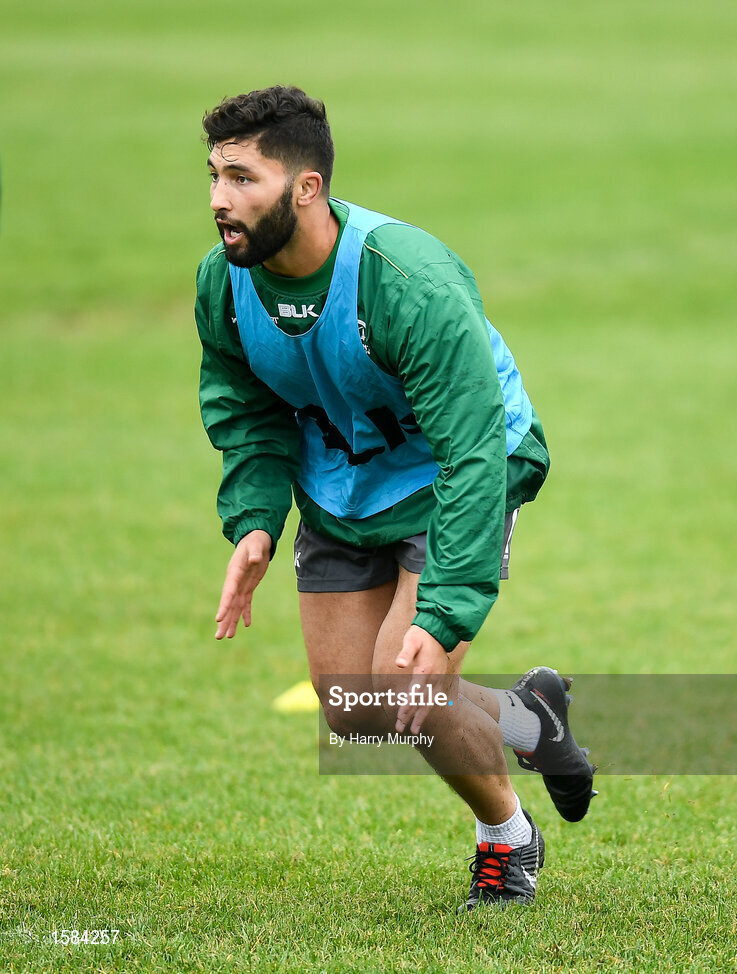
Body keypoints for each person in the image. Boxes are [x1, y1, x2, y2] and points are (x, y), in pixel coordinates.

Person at [195, 85, 595, 911]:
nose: (219, 202)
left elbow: (473, 450)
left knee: (408, 692)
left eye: (242, 178)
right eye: (213, 177)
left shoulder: (404, 281)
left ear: (305, 188)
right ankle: (531, 720)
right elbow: (247, 409)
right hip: (344, 486)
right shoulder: (223, 284)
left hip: (457, 471)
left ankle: (506, 839)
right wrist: (257, 520)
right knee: (354, 708)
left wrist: (442, 613)